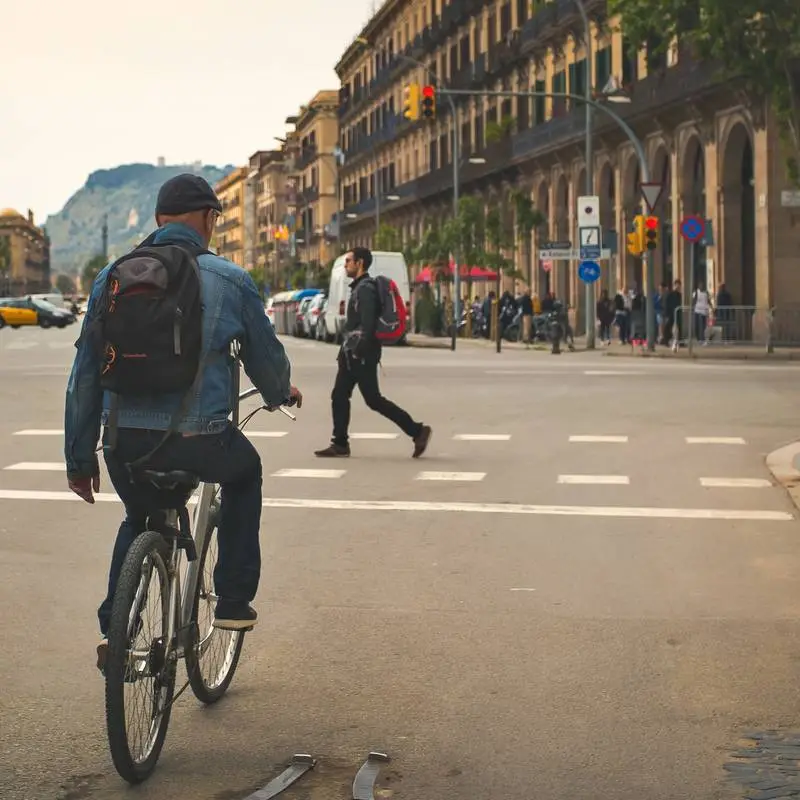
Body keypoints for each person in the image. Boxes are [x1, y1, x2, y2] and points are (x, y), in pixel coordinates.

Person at [64, 173, 302, 670]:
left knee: (140, 517)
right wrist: (281, 393)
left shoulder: (111, 275)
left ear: (157, 220)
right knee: (246, 472)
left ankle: (118, 630)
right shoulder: (230, 279)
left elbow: (85, 375)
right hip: (200, 439)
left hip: (124, 444)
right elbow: (266, 359)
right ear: (208, 219)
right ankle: (234, 601)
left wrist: (79, 457)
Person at [314, 246, 431, 458]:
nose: (345, 265)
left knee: (373, 399)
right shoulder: (359, 287)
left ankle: (417, 430)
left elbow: (368, 324)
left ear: (359, 263)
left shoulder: (365, 289)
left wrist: (359, 350)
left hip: (361, 354)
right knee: (340, 395)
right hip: (353, 353)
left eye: (348, 261)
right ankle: (340, 442)